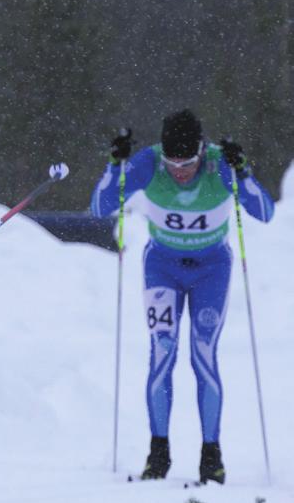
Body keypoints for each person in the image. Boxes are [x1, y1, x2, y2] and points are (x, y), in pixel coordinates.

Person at [90, 110, 274, 483]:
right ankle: (158, 454)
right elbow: (100, 206)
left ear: (201, 152)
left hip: (211, 269)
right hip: (163, 267)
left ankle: (211, 455)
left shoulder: (218, 165)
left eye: (188, 163)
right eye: (173, 163)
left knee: (203, 355)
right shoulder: (149, 163)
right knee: (162, 351)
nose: (180, 171)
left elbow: (265, 213)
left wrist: (243, 172)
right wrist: (115, 164)